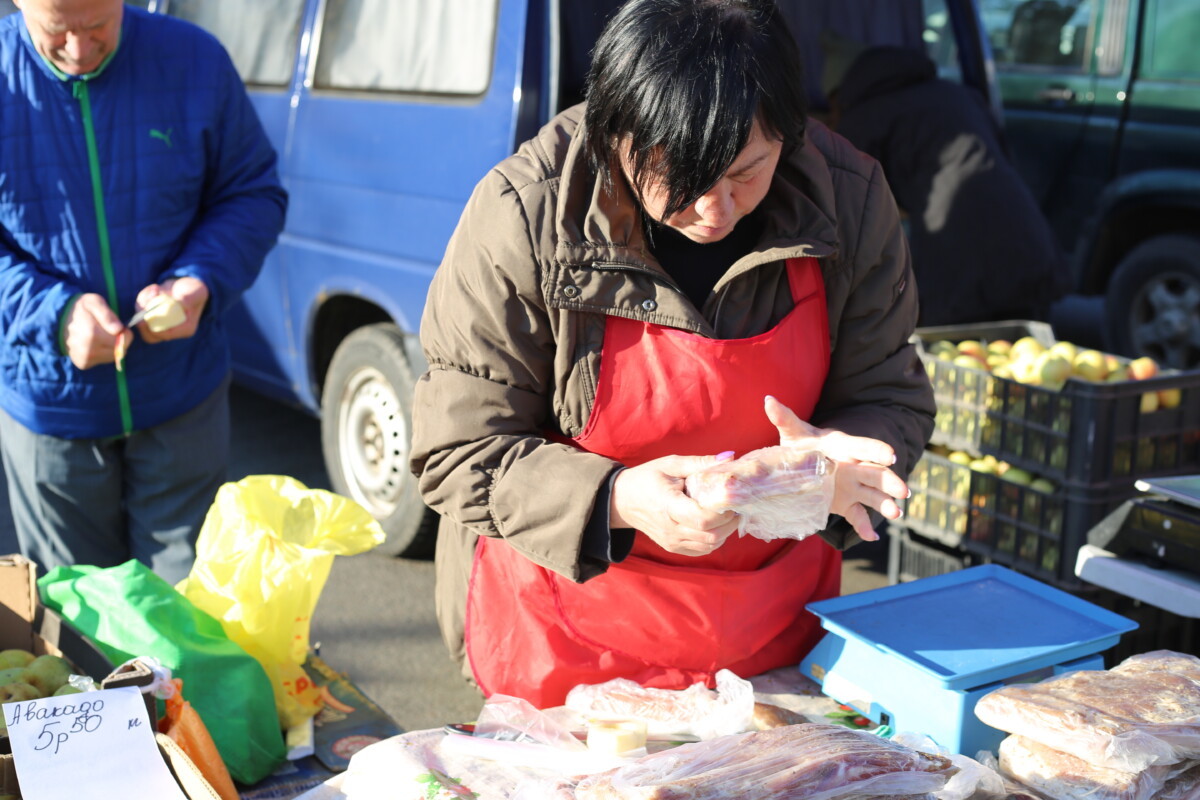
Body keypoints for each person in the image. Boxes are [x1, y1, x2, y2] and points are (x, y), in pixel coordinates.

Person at [411, 0, 935, 709]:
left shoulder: (848, 198)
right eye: (680, 183)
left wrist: (839, 471)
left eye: (747, 173)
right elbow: (457, 449)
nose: (715, 211)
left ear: (791, 128)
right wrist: (618, 498)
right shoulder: (525, 213)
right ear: (613, 134)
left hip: (769, 649)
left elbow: (889, 392)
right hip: (566, 647)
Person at [0, 0, 287, 584]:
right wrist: (54, 314)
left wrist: (200, 278)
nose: (79, 51)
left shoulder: (194, 59)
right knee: (84, 622)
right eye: (56, 31)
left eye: (96, 26)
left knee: (186, 615)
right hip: (51, 410)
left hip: (182, 395)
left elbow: (251, 193)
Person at [821, 32, 1069, 327]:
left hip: (959, 258)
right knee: (1021, 360)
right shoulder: (955, 93)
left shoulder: (863, 118)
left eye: (833, 105)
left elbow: (845, 204)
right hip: (1026, 244)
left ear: (841, 92)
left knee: (962, 362)